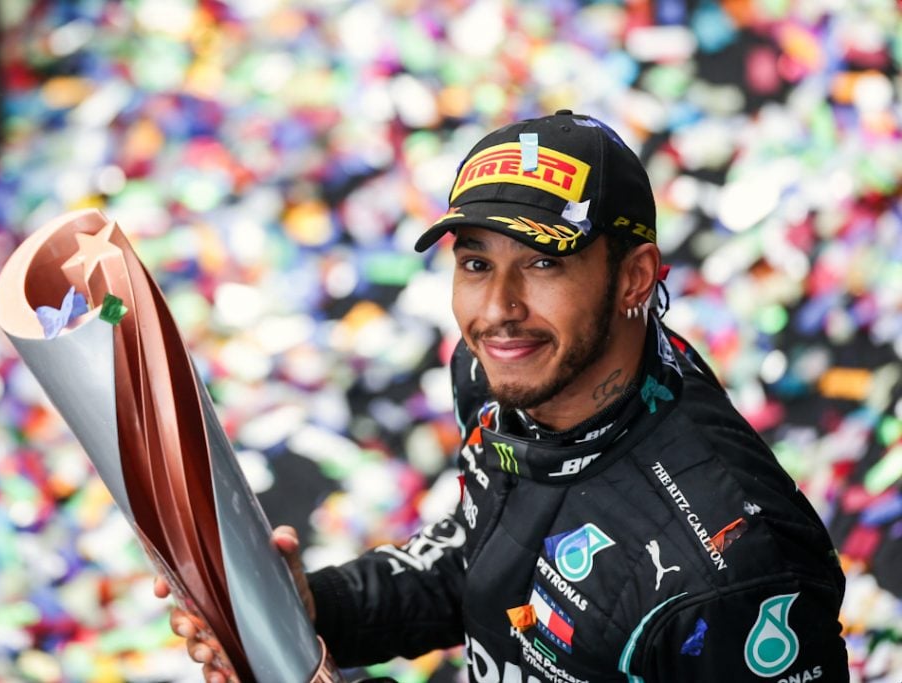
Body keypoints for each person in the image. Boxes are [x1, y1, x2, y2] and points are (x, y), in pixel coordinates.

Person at [157, 110, 849, 682]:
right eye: (477, 263)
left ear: (635, 277)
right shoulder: (501, 375)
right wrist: (313, 607)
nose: (497, 311)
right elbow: (489, 555)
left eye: (544, 262)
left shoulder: (735, 569)